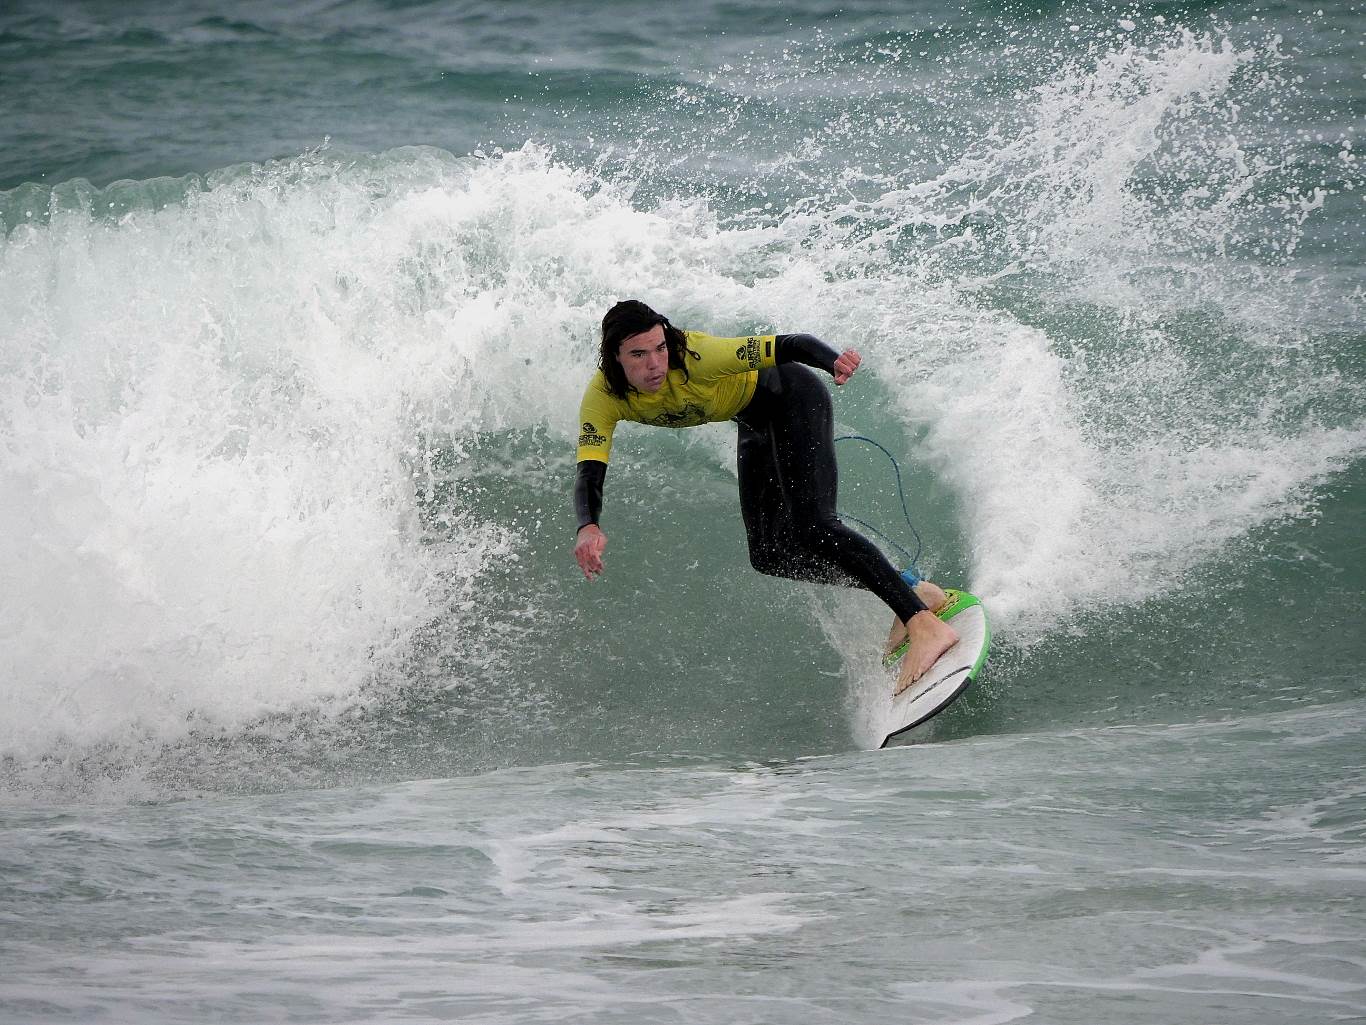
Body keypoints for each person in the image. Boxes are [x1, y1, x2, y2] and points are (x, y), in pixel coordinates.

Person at [572, 300, 958, 692]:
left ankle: (924, 625)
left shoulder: (697, 355)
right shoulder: (603, 397)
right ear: (615, 356)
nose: (655, 364)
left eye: (660, 348)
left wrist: (833, 361)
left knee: (815, 527)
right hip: (755, 421)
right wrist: (588, 525)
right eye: (639, 354)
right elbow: (589, 468)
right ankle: (912, 592)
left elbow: (791, 344)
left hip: (795, 398)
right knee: (769, 555)